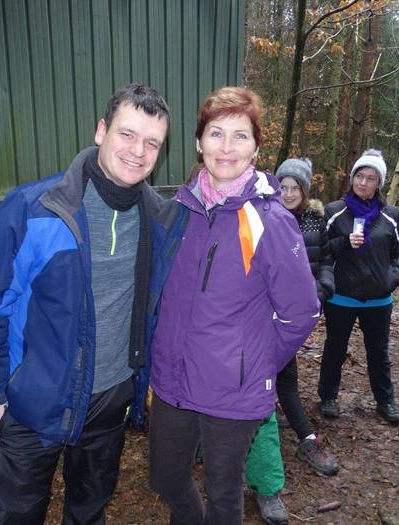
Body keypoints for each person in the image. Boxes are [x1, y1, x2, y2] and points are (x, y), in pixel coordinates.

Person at [0, 84, 188, 524]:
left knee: (88, 511)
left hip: (110, 400)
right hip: (33, 401)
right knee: (16, 515)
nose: (138, 151)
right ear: (101, 131)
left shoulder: (158, 221)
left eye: (152, 142)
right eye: (127, 134)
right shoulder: (37, 209)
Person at [148, 87, 320, 525]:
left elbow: (301, 312)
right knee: (166, 478)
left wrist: (253, 363)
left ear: (256, 148)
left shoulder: (270, 221)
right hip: (172, 377)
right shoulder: (179, 210)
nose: (226, 147)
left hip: (232, 388)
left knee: (224, 494)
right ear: (198, 142)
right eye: (216, 133)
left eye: (240, 136)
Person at [245, 158, 339, 525]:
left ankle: (301, 444)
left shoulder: (312, 221)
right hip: (254, 323)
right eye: (282, 186)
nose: (287, 193)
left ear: (305, 191)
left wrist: (320, 288)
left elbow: (325, 258)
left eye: (294, 188)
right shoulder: (257, 215)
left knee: (279, 387)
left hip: (288, 321)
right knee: (277, 386)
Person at [318, 149, 399, 425]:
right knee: (335, 349)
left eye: (370, 178)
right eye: (359, 176)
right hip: (342, 297)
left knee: (378, 353)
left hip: (378, 300)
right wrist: (344, 242)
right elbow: (321, 250)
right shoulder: (334, 212)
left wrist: (391, 280)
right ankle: (328, 397)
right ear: (352, 177)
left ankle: (385, 401)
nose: (363, 182)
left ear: (379, 183)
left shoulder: (391, 215)